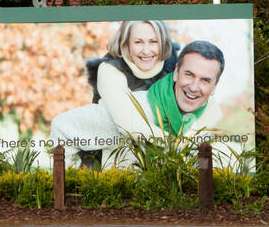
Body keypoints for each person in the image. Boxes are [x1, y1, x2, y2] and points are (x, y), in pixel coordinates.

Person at [49, 20, 176, 166]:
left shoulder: (173, 65)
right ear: (125, 44)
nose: (146, 50)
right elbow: (128, 123)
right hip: (110, 149)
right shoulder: (109, 69)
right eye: (138, 42)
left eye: (153, 41)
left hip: (154, 152)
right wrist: (176, 144)